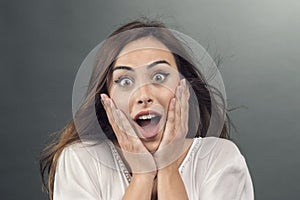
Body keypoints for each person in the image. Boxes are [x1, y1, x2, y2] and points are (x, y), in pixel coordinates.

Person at [40, 19, 254, 200]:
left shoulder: (220, 159)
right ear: (106, 99)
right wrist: (142, 175)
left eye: (159, 76)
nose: (143, 95)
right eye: (124, 81)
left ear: (185, 88)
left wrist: (168, 169)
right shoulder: (81, 160)